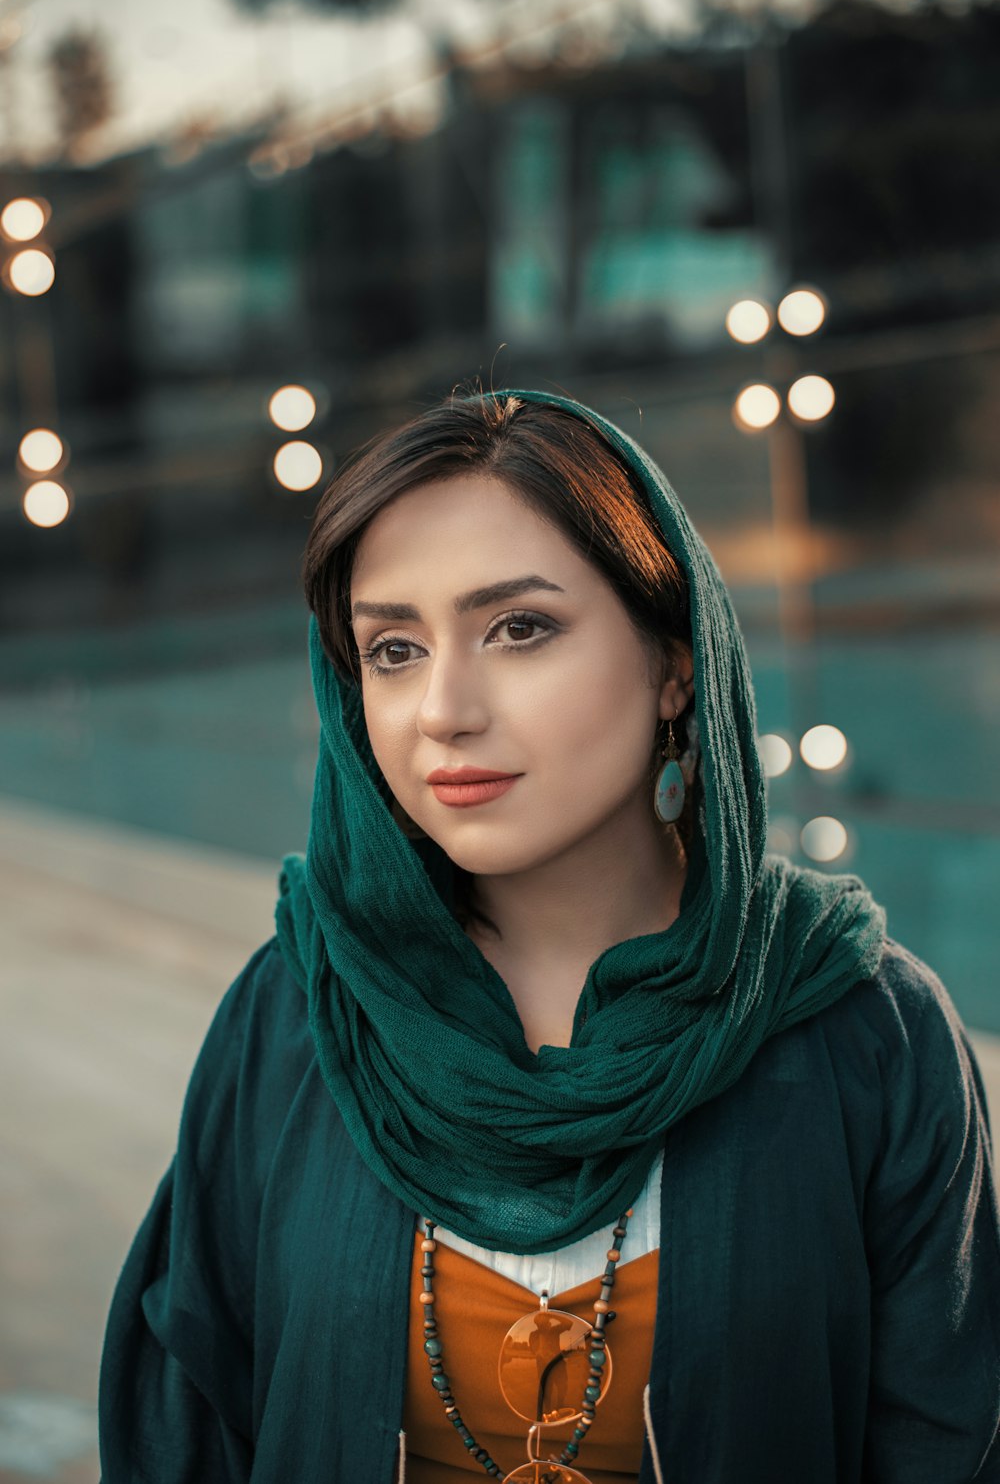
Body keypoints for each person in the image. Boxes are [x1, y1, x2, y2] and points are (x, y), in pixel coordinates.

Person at [98, 387, 1000, 1484]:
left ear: (674, 662)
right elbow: (184, 1433)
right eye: (392, 649)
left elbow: (947, 1441)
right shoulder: (300, 1013)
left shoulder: (866, 1034)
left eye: (518, 628)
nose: (443, 708)